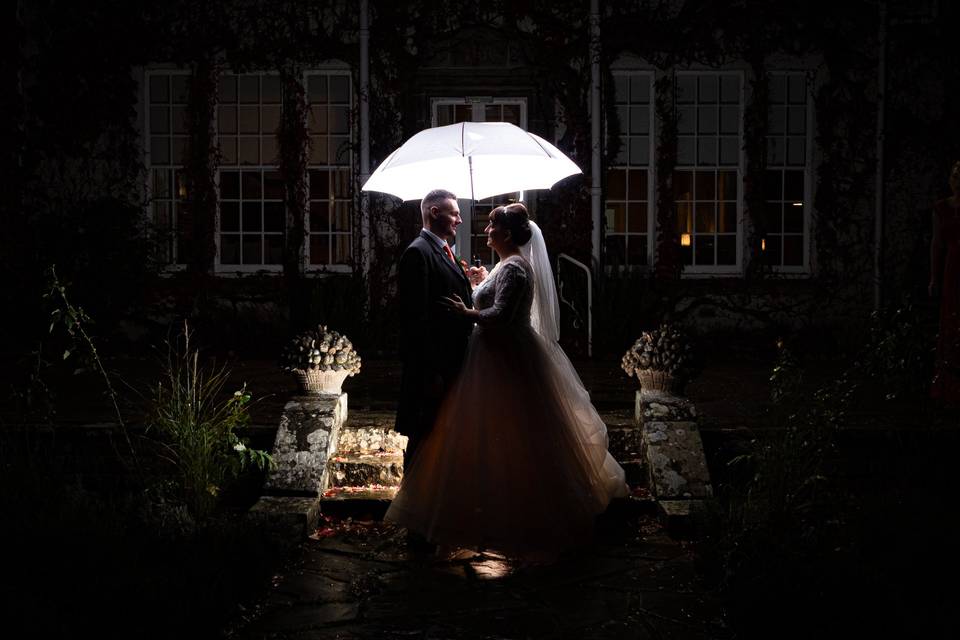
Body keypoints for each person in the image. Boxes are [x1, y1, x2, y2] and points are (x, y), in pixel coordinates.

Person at [386, 203, 627, 564]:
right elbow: (491, 296)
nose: (484, 230)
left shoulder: (515, 266)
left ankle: (515, 520)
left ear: (508, 235)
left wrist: (468, 312)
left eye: (491, 226)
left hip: (504, 359)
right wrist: (478, 281)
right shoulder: (503, 265)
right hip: (487, 358)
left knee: (515, 437)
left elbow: (500, 314)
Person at [395, 189, 484, 467]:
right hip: (432, 367)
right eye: (454, 213)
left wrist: (467, 284)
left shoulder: (442, 251)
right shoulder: (417, 253)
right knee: (423, 435)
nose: (459, 220)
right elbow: (414, 319)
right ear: (435, 213)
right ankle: (411, 501)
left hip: (451, 362)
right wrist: (430, 371)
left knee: (439, 436)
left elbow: (444, 296)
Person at [929, 161, 960, 408]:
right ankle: (947, 385)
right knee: (950, 319)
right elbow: (936, 244)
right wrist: (934, 277)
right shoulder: (942, 208)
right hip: (952, 266)